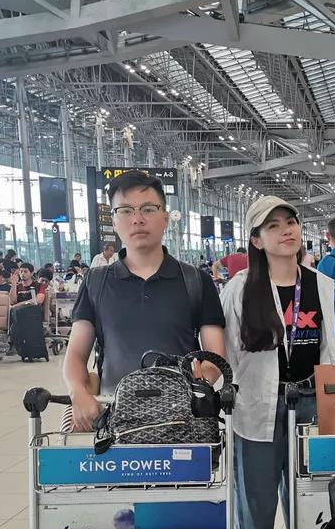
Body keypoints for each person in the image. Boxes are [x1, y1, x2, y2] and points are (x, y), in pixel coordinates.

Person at [222, 195, 335, 529]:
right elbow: (229, 356)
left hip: (310, 406)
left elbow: (330, 350)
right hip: (257, 411)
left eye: (291, 221)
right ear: (256, 240)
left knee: (310, 511)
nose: (286, 230)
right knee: (256, 515)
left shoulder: (321, 285)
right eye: (273, 226)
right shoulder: (239, 289)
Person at [64, 169, 227, 431]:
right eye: (125, 210)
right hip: (116, 420)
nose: (137, 219)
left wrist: (200, 384)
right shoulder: (96, 282)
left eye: (148, 209)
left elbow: (215, 355)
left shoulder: (196, 281)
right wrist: (78, 392)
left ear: (165, 218)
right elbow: (76, 352)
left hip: (182, 422)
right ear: (114, 221)